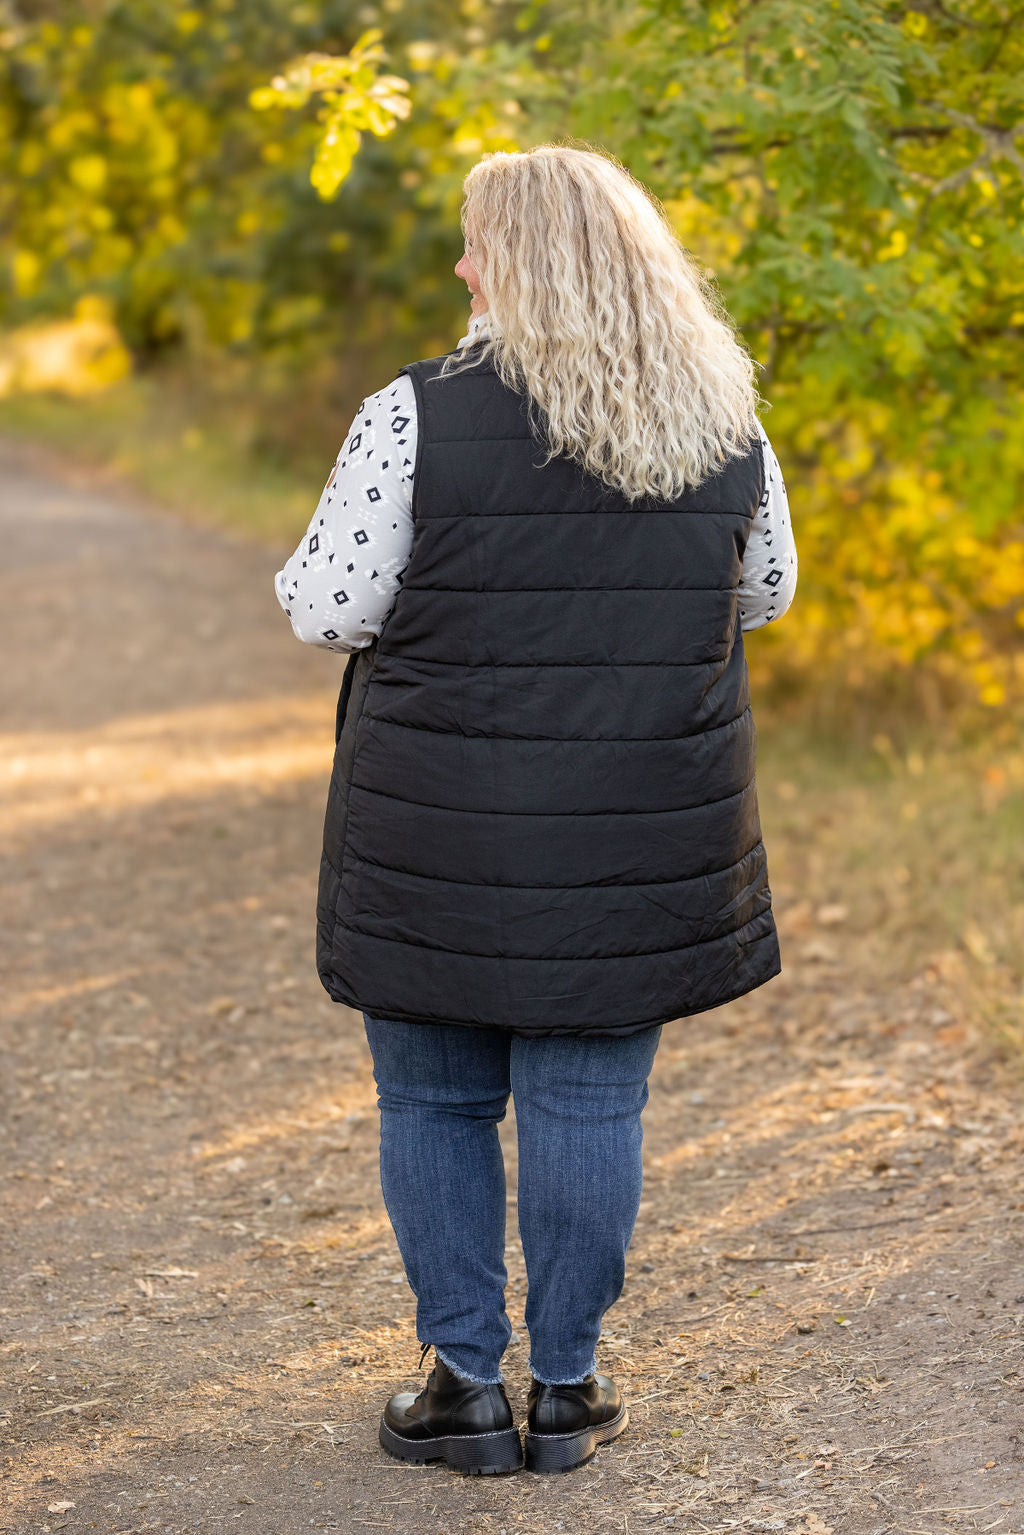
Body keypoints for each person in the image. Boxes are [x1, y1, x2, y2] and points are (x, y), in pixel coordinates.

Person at [274, 144, 797, 1477]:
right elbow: (764, 594)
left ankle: (462, 1388)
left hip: (437, 827)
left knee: (437, 1102)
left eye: (473, 242)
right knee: (588, 1110)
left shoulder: (416, 414)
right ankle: (565, 1392)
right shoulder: (724, 421)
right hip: (636, 830)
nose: (458, 265)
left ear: (525, 261)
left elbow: (327, 605)